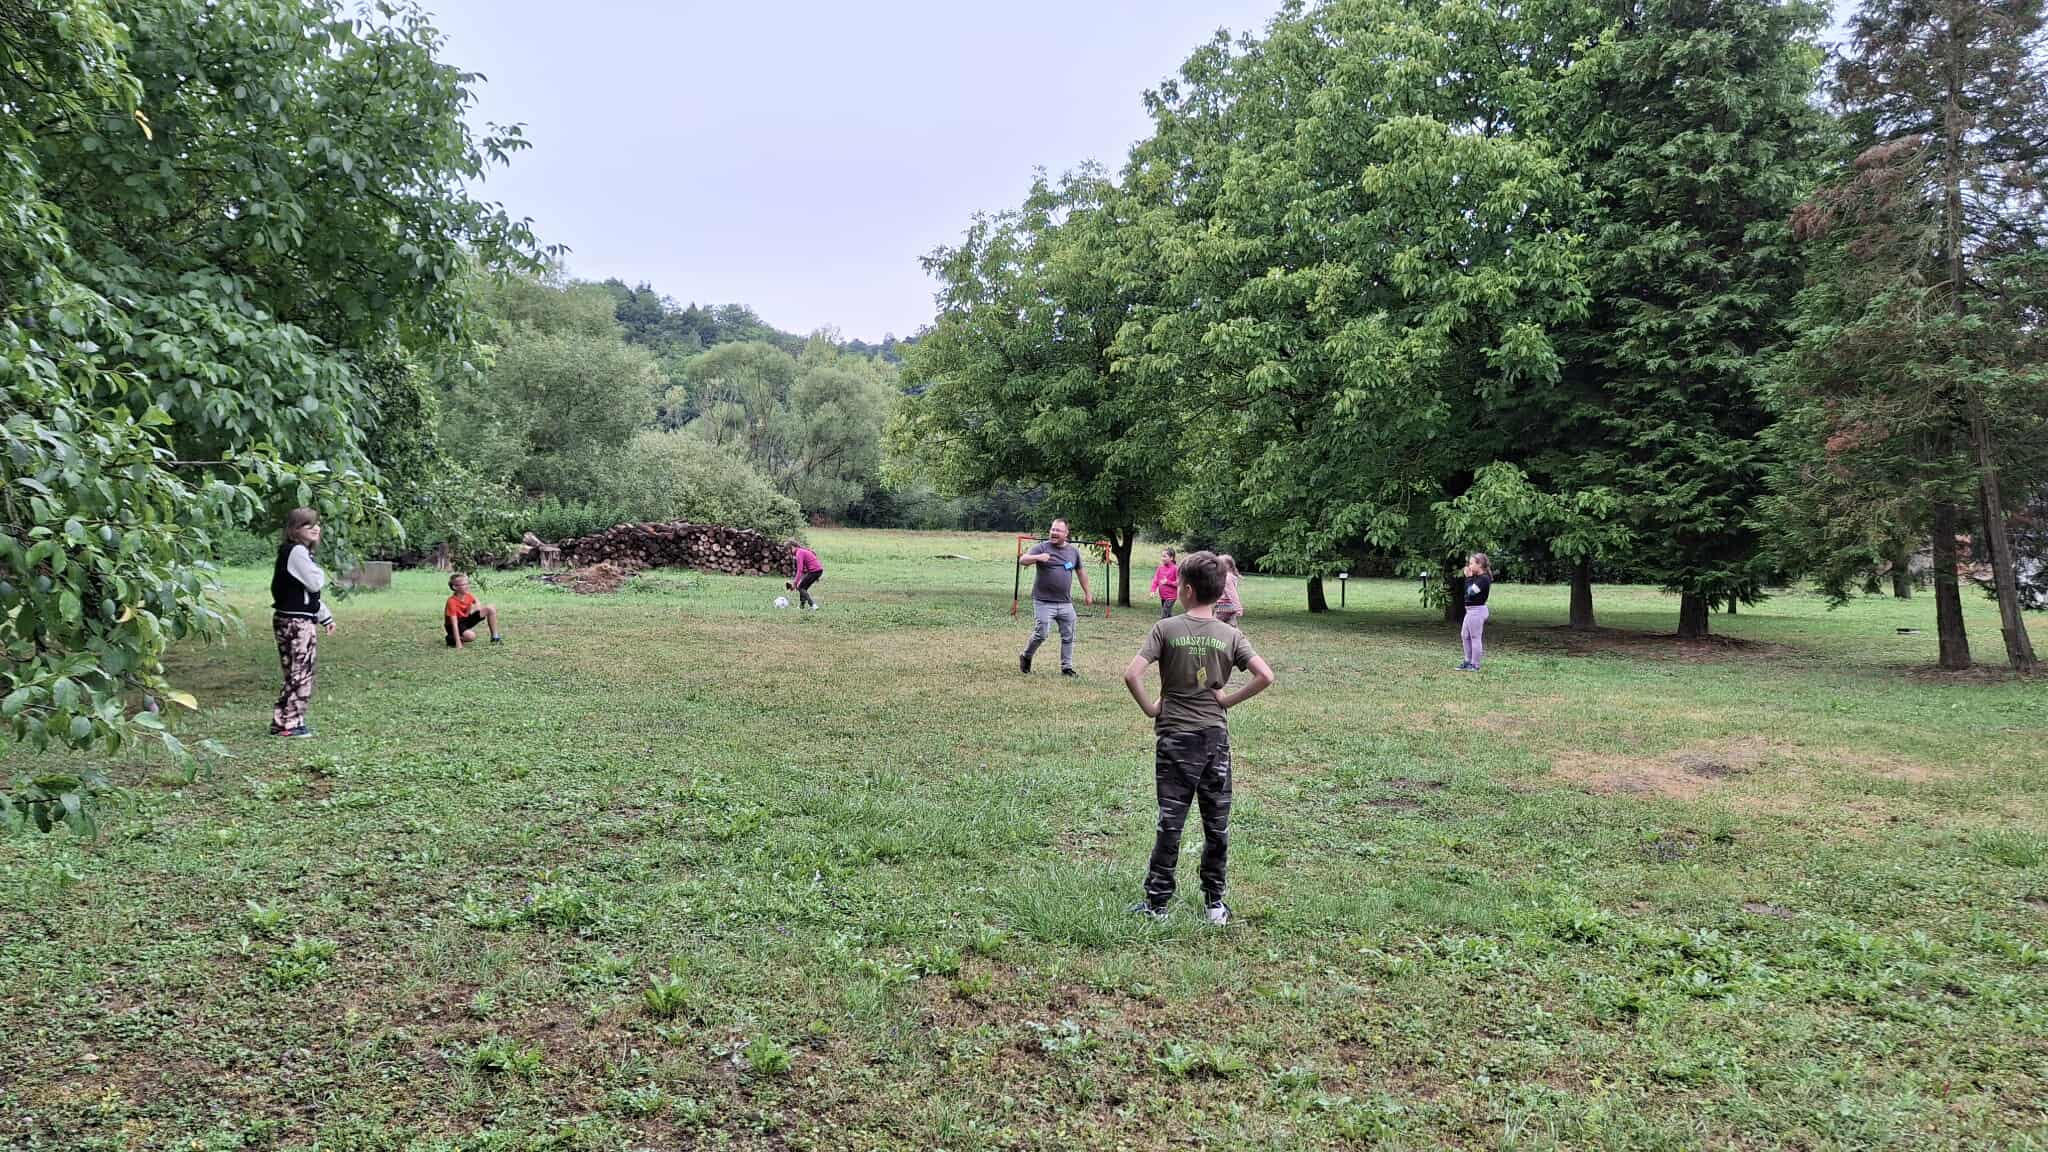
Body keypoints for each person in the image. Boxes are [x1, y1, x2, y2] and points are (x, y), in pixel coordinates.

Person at [1122, 550, 1275, 926]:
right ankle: (1214, 905)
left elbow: (1132, 674)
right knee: (1216, 824)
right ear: (1220, 592)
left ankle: (1158, 904)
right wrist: (1225, 700)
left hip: (1175, 739)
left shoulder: (1165, 629)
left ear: (1187, 590)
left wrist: (1152, 708)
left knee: (1171, 822)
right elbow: (1265, 676)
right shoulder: (1231, 635)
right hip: (1213, 741)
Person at [270, 508, 336, 737]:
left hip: (288, 617)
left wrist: (324, 616)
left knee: (293, 672)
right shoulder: (297, 551)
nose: (315, 528)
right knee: (301, 672)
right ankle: (291, 724)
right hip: (297, 622)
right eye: (308, 525)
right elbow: (314, 584)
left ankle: (281, 721)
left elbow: (306, 594)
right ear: (295, 529)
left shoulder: (293, 552)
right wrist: (319, 571)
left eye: (317, 524)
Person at [1018, 518, 1092, 676]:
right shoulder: (1041, 547)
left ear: (1066, 533)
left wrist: (1087, 593)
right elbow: (1022, 560)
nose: (1054, 532)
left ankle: (1067, 667)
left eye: (1058, 530)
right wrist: (1038, 558)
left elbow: (1081, 572)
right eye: (1052, 529)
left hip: (1065, 603)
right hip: (1043, 601)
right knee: (1041, 634)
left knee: (1068, 636)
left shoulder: (1073, 552)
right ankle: (1026, 656)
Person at [444, 573, 502, 648]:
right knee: (471, 636)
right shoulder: (451, 602)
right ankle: (451, 638)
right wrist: (458, 643)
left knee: (490, 608)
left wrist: (476, 606)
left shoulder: (468, 595)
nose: (467, 586)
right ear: (455, 587)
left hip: (465, 620)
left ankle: (495, 637)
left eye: (467, 583)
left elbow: (477, 601)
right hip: (453, 625)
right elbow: (454, 623)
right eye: (464, 584)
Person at [1457, 552, 1493, 671]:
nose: (1469, 566)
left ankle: (1475, 664)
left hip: (1477, 611)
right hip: (1470, 611)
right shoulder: (1477, 577)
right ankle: (1468, 661)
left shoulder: (1484, 579)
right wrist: (1471, 577)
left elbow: (1470, 592)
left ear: (1480, 564)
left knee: (1475, 637)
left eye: (1471, 563)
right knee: (1465, 635)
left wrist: (1468, 577)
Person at [787, 540, 824, 610]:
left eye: (789, 550)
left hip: (814, 571)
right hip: (818, 571)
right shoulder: (802, 551)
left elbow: (799, 570)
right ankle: (802, 606)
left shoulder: (799, 553)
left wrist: (795, 583)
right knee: (803, 588)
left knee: (800, 587)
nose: (789, 552)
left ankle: (813, 605)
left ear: (792, 547)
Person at [1150, 547, 1180, 619]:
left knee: (1164, 615)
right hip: (1163, 596)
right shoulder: (1160, 568)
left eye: (1164, 556)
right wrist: (1153, 590)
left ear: (1171, 558)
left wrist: (1168, 582)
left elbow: (1179, 583)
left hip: (1171, 597)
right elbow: (1156, 580)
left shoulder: (1175, 568)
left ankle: (1162, 625)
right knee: (1168, 615)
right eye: (1162, 556)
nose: (1162, 558)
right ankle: (1174, 624)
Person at [1214, 554, 1244, 626]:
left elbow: (1232, 594)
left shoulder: (1227, 578)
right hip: (1230, 607)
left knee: (1214, 625)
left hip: (1224, 607)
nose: (1218, 566)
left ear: (1229, 565)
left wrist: (1238, 608)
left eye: (1221, 564)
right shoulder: (1228, 576)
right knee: (1232, 626)